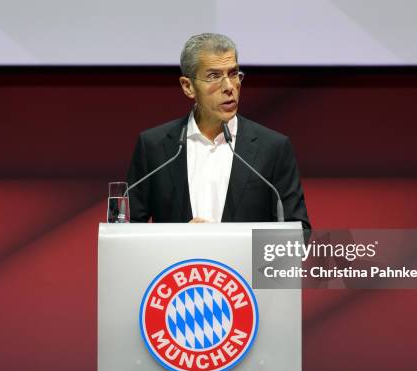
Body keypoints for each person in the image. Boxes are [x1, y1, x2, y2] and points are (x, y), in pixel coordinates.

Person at [127, 33, 310, 228]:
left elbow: (298, 232)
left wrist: (229, 244)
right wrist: (178, 240)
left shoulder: (273, 148)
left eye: (233, 74)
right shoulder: (154, 146)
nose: (229, 87)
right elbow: (127, 231)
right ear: (188, 86)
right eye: (214, 76)